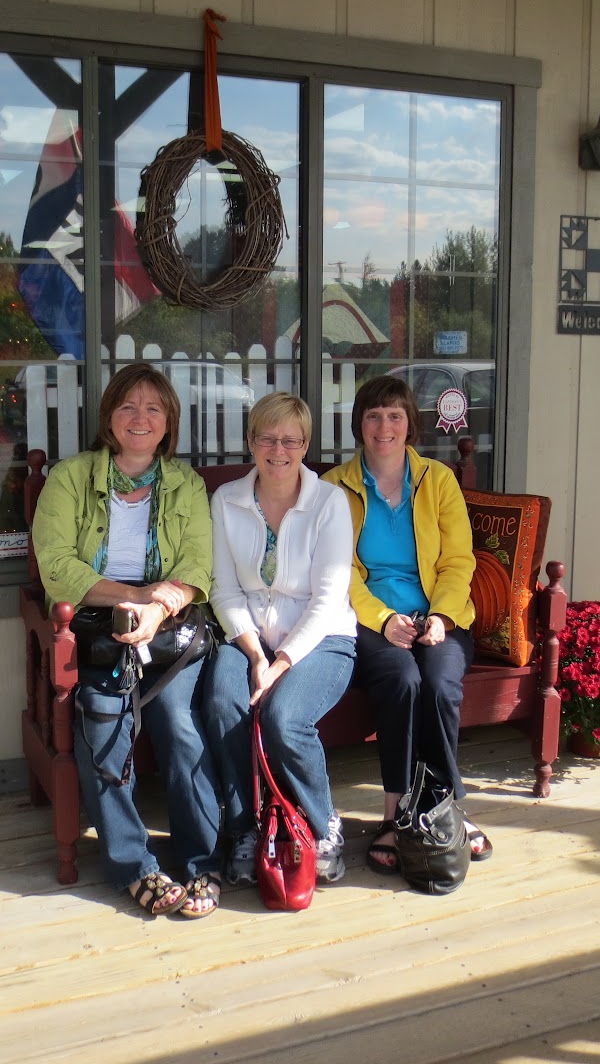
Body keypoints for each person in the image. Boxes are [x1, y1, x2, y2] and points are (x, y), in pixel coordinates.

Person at [32, 362, 222, 918]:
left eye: (154, 408)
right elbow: (57, 567)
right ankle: (132, 865)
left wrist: (158, 606)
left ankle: (201, 861)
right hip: (96, 626)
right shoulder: (69, 478)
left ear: (169, 422)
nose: (141, 418)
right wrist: (132, 597)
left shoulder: (185, 483)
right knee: (103, 719)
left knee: (181, 727)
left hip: (168, 629)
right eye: (128, 406)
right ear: (109, 417)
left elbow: (198, 566)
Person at [325, 374, 493, 876]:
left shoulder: (437, 481)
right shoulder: (334, 488)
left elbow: (459, 561)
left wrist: (441, 617)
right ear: (359, 424)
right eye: (374, 416)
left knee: (439, 683)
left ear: (409, 424)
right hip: (371, 620)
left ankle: (445, 808)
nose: (385, 426)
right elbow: (338, 569)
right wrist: (382, 619)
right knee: (402, 680)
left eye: (395, 415)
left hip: (439, 616)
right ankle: (395, 813)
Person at [202, 393, 357, 887]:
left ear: (305, 445)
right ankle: (244, 828)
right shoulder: (226, 500)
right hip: (246, 634)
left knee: (284, 717)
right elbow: (223, 589)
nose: (278, 450)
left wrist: (280, 663)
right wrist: (253, 653)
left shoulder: (329, 503)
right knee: (223, 702)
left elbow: (328, 599)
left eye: (291, 440)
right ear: (251, 442)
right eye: (267, 438)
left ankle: (323, 825)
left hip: (321, 638)